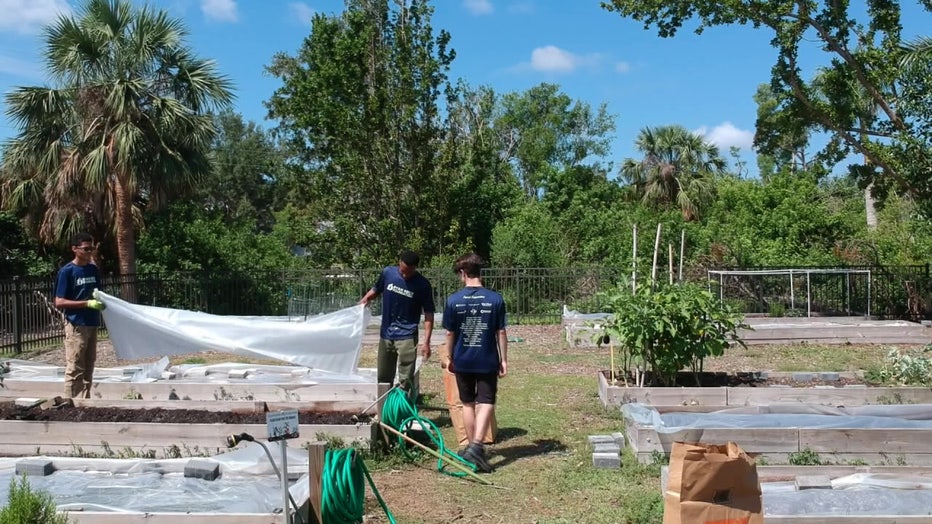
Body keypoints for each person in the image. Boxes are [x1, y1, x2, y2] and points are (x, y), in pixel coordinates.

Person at [442, 253, 507, 473]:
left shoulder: (453, 301)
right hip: (487, 359)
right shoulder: (495, 299)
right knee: (486, 401)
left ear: (463, 273)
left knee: (468, 403)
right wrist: (504, 358)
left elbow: (450, 334)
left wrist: (449, 357)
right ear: (479, 272)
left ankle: (472, 447)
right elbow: (501, 332)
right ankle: (477, 447)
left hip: (462, 359)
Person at [359, 250, 435, 397]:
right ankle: (384, 409)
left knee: (405, 379)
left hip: (407, 335)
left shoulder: (422, 285)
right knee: (383, 376)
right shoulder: (388, 273)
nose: (405, 275)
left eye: (409, 272)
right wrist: (366, 299)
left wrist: (426, 342)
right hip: (386, 333)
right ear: (399, 262)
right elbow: (376, 288)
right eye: (403, 271)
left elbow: (429, 314)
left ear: (415, 268)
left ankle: (401, 410)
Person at [54, 232, 105, 398]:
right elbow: (59, 302)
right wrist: (86, 303)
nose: (90, 252)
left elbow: (97, 292)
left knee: (89, 364)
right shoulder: (67, 272)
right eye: (86, 249)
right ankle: (69, 401)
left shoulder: (92, 269)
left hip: (91, 322)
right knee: (75, 365)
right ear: (75, 249)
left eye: (92, 248)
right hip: (76, 324)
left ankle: (85, 400)